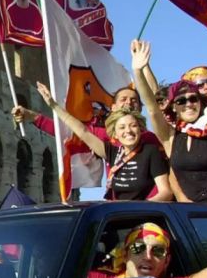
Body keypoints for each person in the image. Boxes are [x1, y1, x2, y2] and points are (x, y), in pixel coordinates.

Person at [131, 4, 207, 203]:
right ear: (174, 107)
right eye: (181, 100)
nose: (188, 103)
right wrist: (138, 70)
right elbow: (153, 106)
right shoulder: (170, 136)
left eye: (193, 98)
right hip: (193, 211)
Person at [36, 82, 173, 201]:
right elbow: (79, 131)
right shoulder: (111, 150)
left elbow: (165, 190)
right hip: (118, 214)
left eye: (133, 126)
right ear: (115, 133)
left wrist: (140, 69)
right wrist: (49, 109)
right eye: (122, 127)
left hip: (147, 216)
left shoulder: (151, 145)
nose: (128, 131)